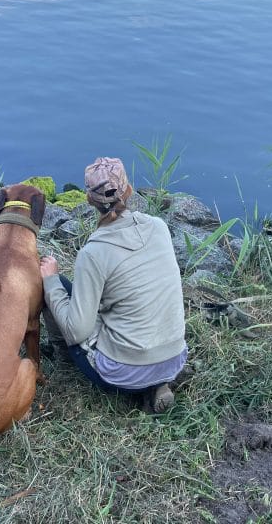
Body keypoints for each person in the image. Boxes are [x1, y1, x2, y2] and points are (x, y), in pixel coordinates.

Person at [39, 157, 188, 413]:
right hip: (174, 358)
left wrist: (50, 279)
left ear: (89, 199)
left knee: (58, 286)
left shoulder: (93, 252)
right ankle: (157, 384)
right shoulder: (159, 227)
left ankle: (65, 361)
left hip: (122, 373)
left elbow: (76, 331)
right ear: (128, 190)